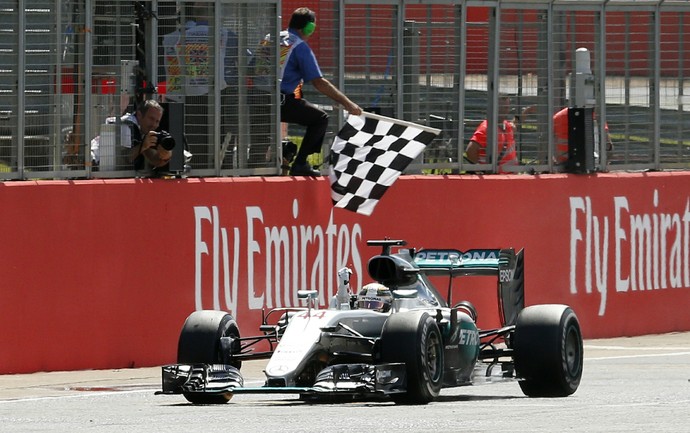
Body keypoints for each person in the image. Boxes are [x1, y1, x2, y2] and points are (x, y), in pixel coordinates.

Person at [279, 7, 363, 176]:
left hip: (256, 98)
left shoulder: (272, 37)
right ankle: (300, 163)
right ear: (309, 28)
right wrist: (347, 103)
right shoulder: (300, 47)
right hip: (280, 101)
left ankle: (254, 162)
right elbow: (319, 82)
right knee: (320, 118)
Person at [465, 95, 518, 173]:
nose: (506, 110)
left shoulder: (506, 125)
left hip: (509, 177)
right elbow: (470, 150)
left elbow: (514, 125)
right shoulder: (487, 128)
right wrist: (480, 170)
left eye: (507, 107)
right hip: (496, 178)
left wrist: (526, 112)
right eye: (503, 108)